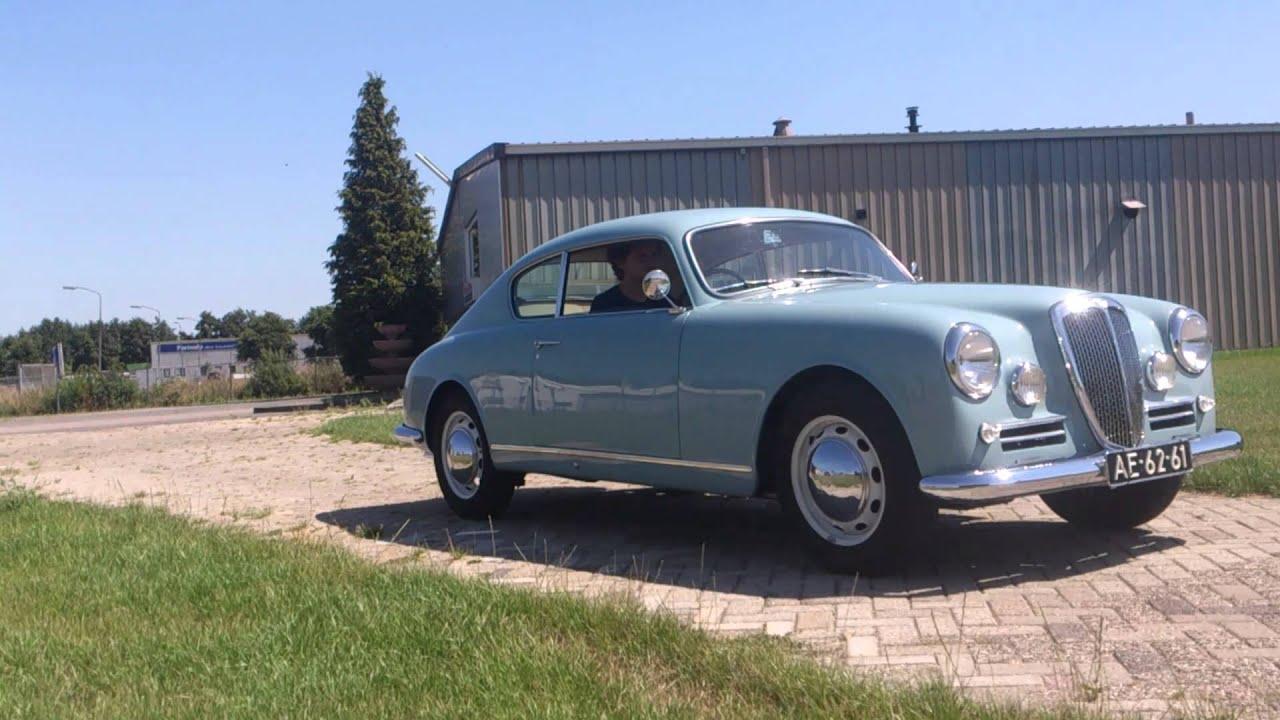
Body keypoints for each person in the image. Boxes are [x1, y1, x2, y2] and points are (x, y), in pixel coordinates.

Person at [589, 240, 677, 313]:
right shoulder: (604, 304)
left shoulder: (667, 302)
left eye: (654, 255)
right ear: (620, 262)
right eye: (642, 256)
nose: (651, 261)